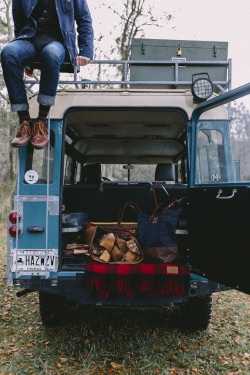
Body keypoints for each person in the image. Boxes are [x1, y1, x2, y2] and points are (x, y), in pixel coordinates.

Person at [1, 0, 93, 149]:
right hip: (29, 40)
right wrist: (24, 61)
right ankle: (24, 121)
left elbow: (84, 21)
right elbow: (19, 23)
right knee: (8, 53)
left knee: (51, 53)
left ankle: (41, 122)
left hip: (58, 42)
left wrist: (86, 51)